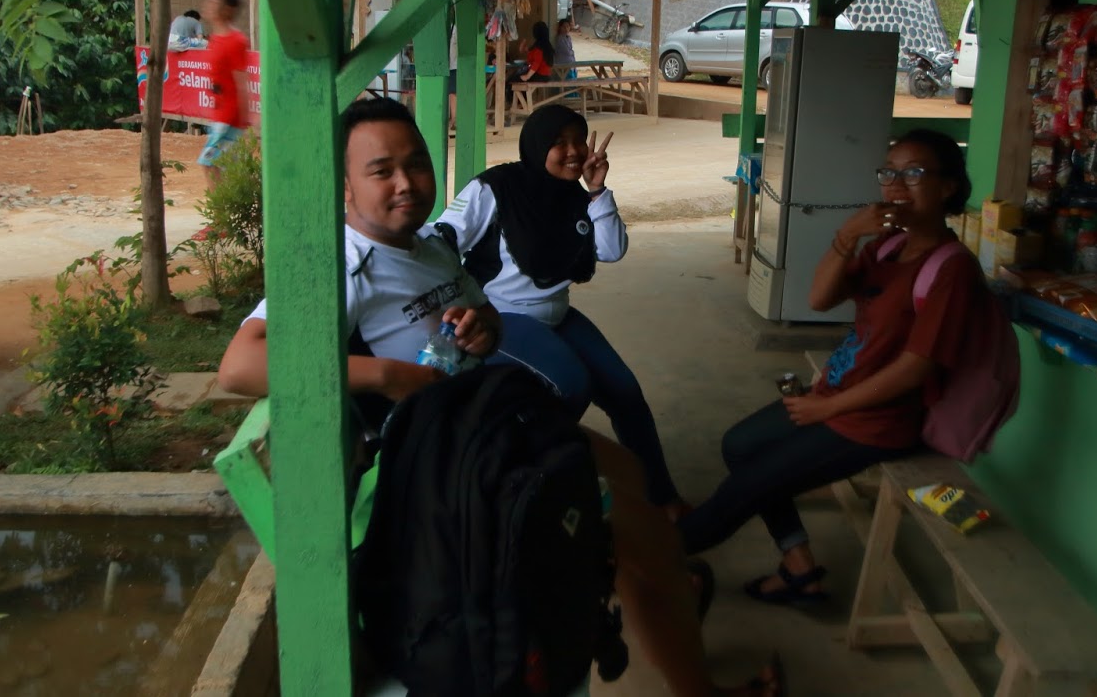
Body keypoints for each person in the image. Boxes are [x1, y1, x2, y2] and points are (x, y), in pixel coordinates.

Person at [219, 98, 782, 697]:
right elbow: (240, 365)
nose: (406, 183)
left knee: (630, 473)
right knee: (643, 531)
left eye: (416, 164)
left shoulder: (428, 247)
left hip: (486, 425)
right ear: (346, 186)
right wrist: (385, 375)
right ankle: (686, 655)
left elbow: (484, 311)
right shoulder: (340, 265)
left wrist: (484, 329)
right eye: (381, 170)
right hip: (442, 467)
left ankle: (651, 580)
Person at [677, 129, 980, 606]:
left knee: (744, 490)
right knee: (739, 445)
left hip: (877, 422)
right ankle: (800, 568)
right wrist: (847, 235)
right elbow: (819, 299)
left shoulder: (952, 269)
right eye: (888, 173)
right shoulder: (888, 247)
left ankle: (641, 557)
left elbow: (914, 369)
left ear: (947, 187)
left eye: (914, 173)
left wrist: (829, 408)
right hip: (836, 396)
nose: (896, 185)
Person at [435, 104, 687, 520]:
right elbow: (443, 239)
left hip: (557, 315)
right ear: (537, 146)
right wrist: (453, 304)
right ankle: (525, 479)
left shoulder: (575, 195)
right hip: (503, 317)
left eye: (578, 140)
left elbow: (611, 250)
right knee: (572, 384)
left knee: (626, 392)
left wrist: (597, 190)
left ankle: (661, 499)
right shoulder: (496, 187)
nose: (573, 151)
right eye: (559, 142)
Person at [199, 0, 252, 189]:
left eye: (215, 2)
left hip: (229, 117)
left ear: (227, 10)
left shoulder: (235, 41)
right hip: (220, 114)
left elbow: (241, 83)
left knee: (209, 163)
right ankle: (225, 206)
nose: (208, 5)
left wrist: (245, 121)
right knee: (222, 165)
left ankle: (219, 208)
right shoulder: (215, 38)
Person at [508, 20, 555, 85]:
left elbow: (536, 64)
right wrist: (523, 43)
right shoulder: (544, 45)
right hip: (542, 75)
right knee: (514, 77)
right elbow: (524, 50)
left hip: (540, 76)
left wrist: (527, 76)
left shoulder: (540, 48)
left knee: (513, 80)